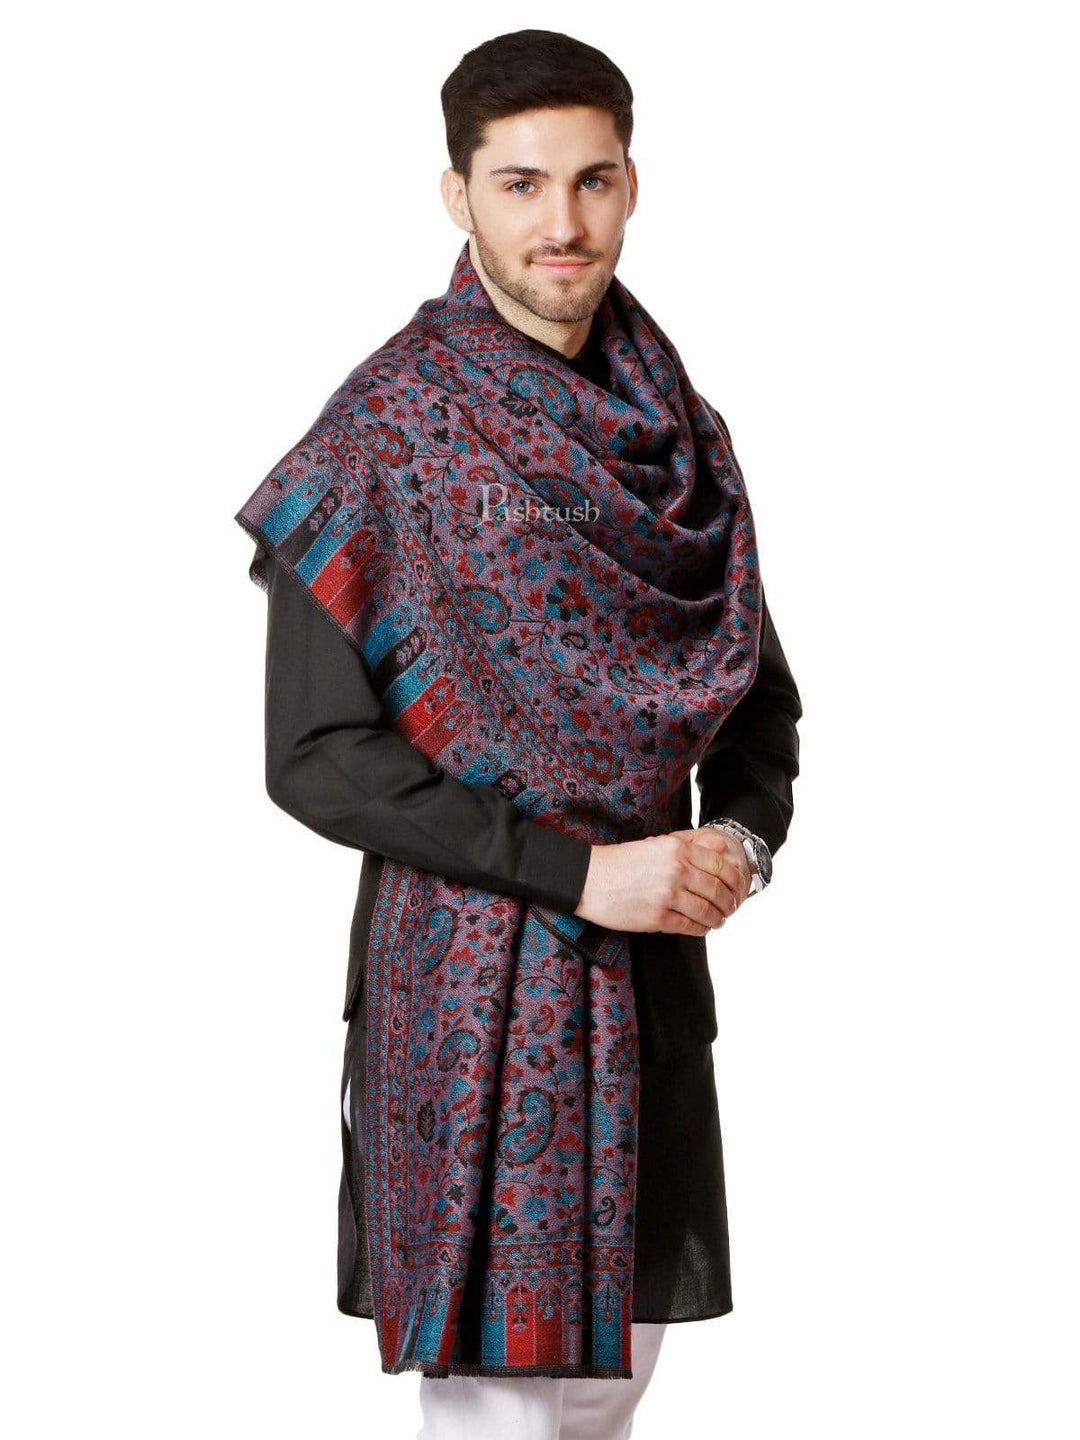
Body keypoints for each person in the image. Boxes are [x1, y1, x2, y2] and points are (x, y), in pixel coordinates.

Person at [238, 28, 801, 1439]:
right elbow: (316, 752)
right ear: (459, 196)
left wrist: (738, 843)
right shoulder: (388, 435)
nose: (562, 222)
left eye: (593, 180)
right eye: (521, 184)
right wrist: (582, 873)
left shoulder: (682, 440)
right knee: (496, 1417)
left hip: (652, 988)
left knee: (610, 1401)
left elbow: (758, 698)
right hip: (470, 994)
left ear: (632, 186)